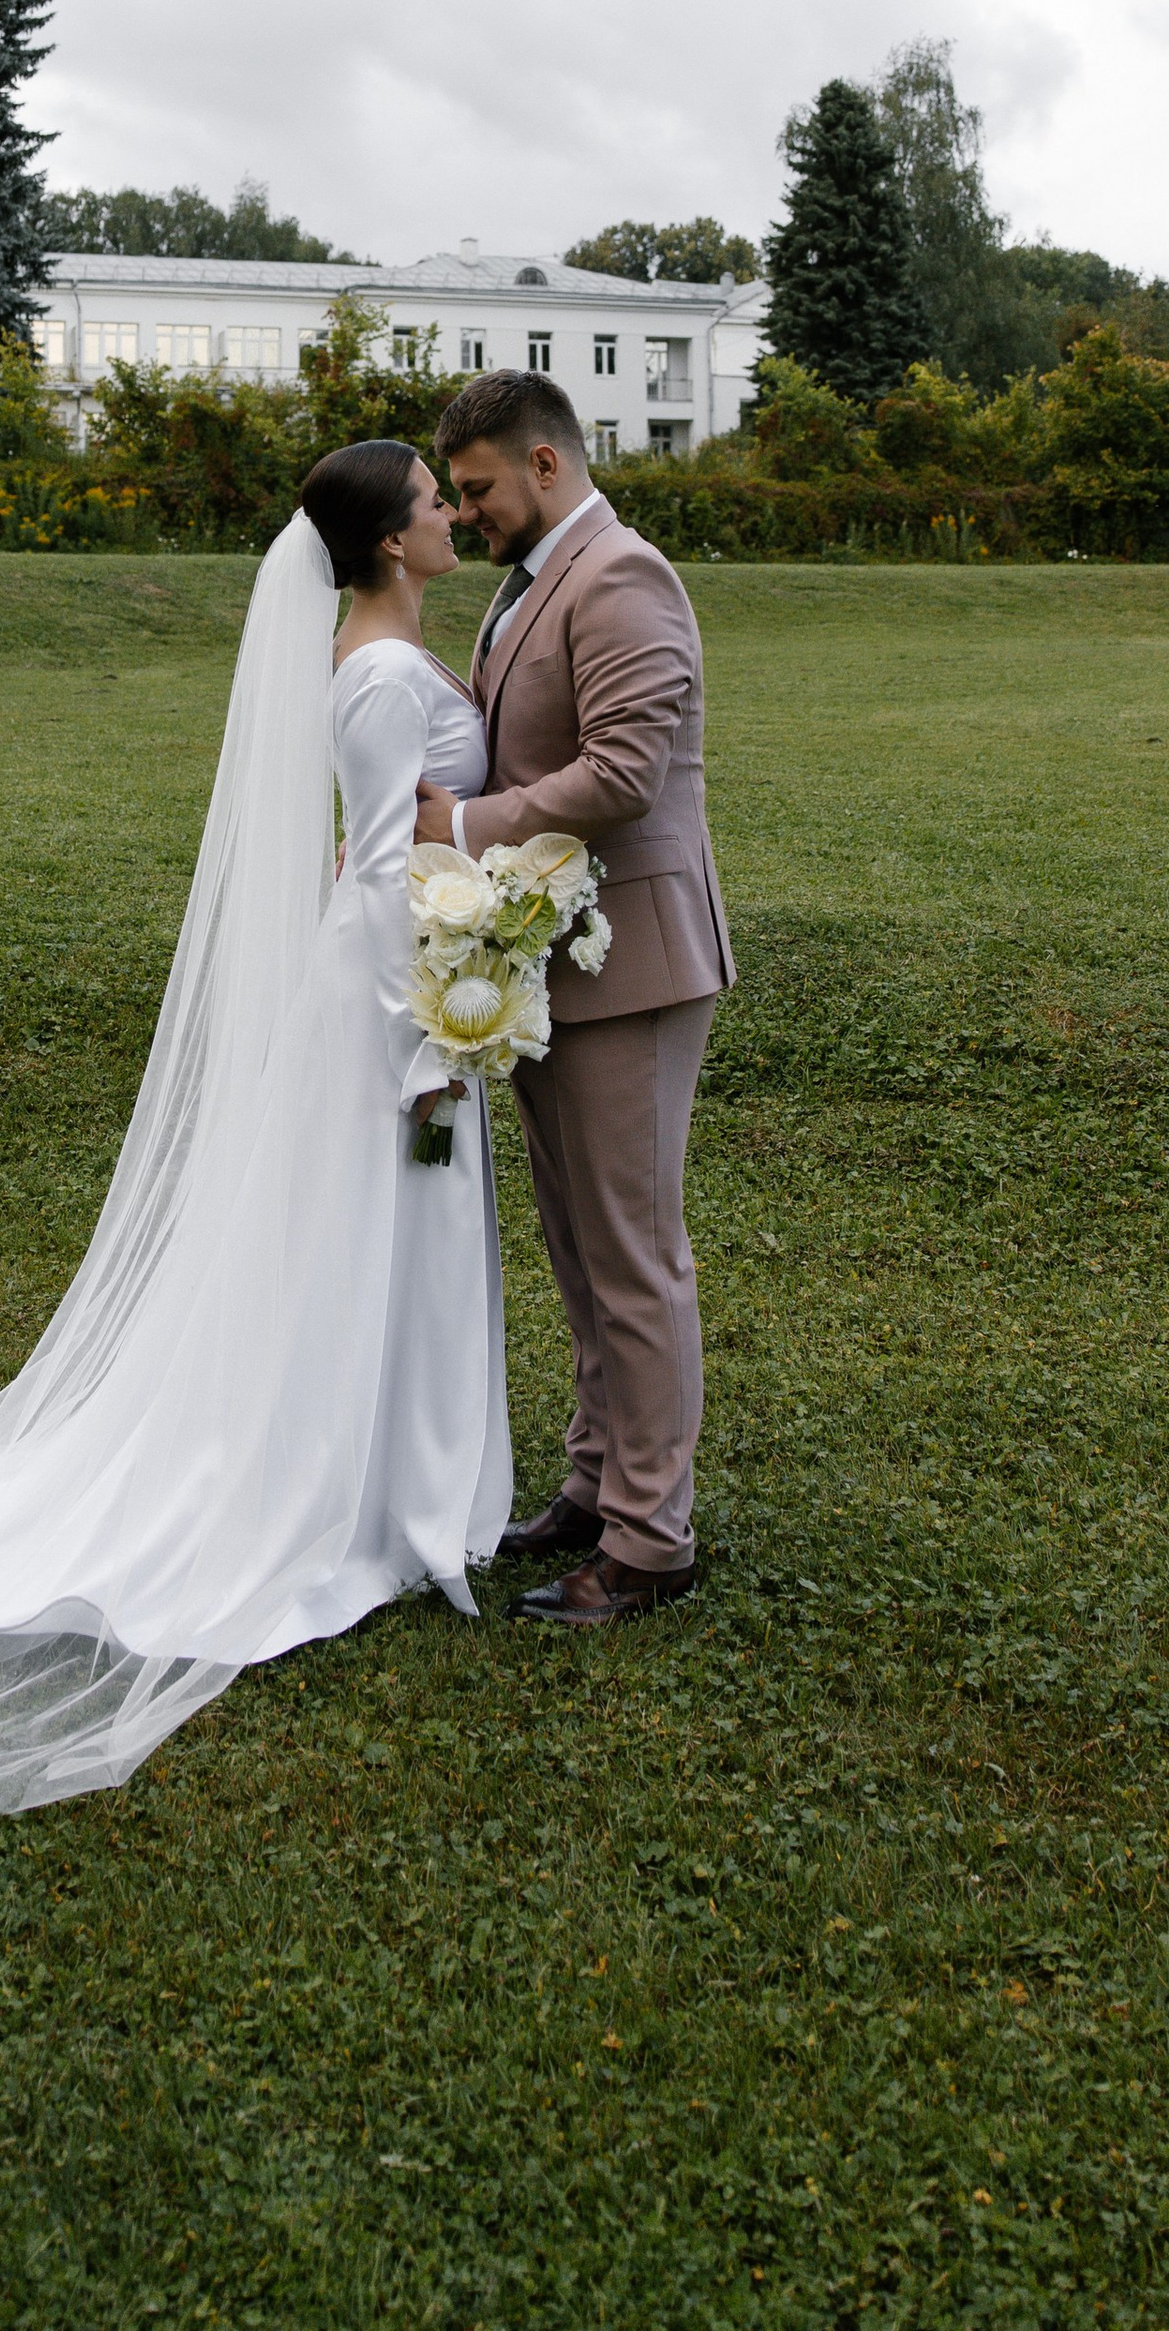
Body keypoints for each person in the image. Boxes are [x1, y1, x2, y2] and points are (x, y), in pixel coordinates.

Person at [0, 445, 510, 1814]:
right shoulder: (368, 673)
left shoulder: (392, 648)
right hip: (388, 1018)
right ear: (385, 544)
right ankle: (366, 1503)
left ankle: (403, 1494)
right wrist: (427, 1033)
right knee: (368, 1247)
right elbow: (367, 878)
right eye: (429, 498)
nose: (448, 512)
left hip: (420, 998)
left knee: (386, 1252)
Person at [417, 369, 733, 1626]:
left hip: (636, 962)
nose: (470, 510)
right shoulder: (529, 581)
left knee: (633, 1254)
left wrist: (460, 823)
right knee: (577, 1243)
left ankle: (652, 1540)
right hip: (558, 957)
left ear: (543, 464)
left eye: (480, 487)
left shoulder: (620, 576)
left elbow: (622, 771)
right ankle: (596, 1482)